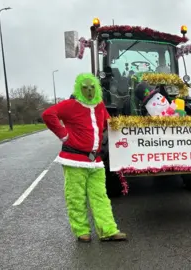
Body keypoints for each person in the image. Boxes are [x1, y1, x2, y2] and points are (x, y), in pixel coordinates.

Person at [42, 72, 127, 242]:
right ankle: (81, 231)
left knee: (100, 196)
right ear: (79, 89)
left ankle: (108, 230)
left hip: (95, 161)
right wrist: (63, 135)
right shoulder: (70, 105)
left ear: (97, 88)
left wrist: (125, 128)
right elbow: (48, 114)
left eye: (92, 87)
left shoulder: (100, 106)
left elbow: (107, 124)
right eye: (85, 88)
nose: (89, 91)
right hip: (74, 159)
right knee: (76, 197)